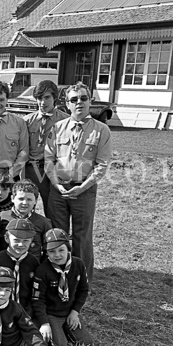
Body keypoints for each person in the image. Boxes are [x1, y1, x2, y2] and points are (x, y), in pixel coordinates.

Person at [44, 83, 112, 282]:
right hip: (59, 190)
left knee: (83, 237)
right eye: (74, 100)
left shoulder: (101, 130)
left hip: (84, 190)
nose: (79, 103)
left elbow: (102, 164)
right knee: (58, 235)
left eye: (83, 98)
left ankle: (82, 280)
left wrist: (83, 187)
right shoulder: (57, 128)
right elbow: (49, 159)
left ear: (90, 101)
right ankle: (58, 277)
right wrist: (56, 185)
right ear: (66, 104)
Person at [32, 228, 92, 346]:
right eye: (52, 251)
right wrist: (44, 323)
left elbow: (83, 290)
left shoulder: (78, 264)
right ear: (46, 252)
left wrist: (75, 312)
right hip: (51, 314)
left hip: (69, 311)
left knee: (87, 344)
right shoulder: (42, 270)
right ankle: (56, 330)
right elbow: (38, 300)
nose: (57, 255)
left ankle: (65, 329)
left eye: (61, 250)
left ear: (68, 249)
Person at [23, 80, 69, 219]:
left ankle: (54, 237)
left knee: (54, 209)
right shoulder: (27, 121)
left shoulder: (64, 120)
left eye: (47, 97)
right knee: (27, 204)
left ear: (55, 97)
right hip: (32, 168)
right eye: (39, 98)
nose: (42, 102)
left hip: (53, 169)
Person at [0, 218, 38, 317]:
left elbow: (34, 291)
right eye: (16, 240)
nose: (21, 244)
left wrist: (29, 313)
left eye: (26, 241)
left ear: (31, 241)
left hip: (26, 311)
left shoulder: (34, 262)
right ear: (6, 238)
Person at [0, 179, 53, 260]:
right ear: (12, 198)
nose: (24, 203)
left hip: (32, 267)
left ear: (35, 201)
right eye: (21, 199)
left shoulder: (44, 222)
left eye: (29, 199)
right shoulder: (1, 217)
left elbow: (48, 250)